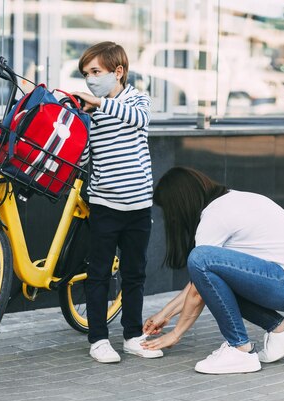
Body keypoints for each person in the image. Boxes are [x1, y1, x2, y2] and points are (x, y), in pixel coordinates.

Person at [141, 167, 284, 374]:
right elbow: (202, 282)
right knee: (211, 272)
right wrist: (165, 314)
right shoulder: (234, 200)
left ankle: (239, 350)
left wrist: (175, 334)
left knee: (200, 257)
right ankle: (282, 331)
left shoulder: (214, 217)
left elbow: (198, 287)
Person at [72, 41, 162, 363]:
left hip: (138, 207)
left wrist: (99, 104)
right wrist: (79, 123)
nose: (90, 79)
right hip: (104, 206)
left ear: (118, 71)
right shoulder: (92, 114)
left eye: (96, 71)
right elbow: (85, 157)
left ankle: (133, 336)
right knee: (98, 275)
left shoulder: (137, 100)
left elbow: (139, 120)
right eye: (86, 74)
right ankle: (98, 339)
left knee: (134, 273)